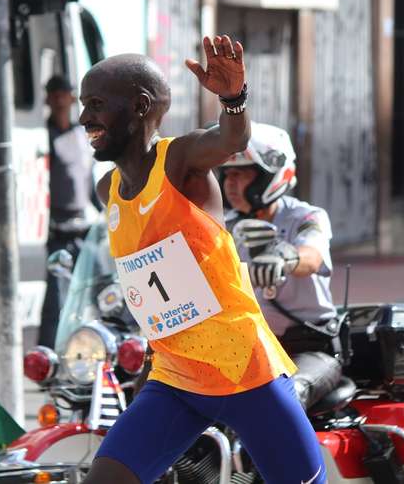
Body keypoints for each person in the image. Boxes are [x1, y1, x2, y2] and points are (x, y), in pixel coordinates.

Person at [80, 36, 325, 484]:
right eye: (83, 105)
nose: (84, 118)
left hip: (242, 372)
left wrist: (233, 99)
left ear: (138, 106)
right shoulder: (107, 192)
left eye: (95, 105)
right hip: (176, 378)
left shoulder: (180, 160)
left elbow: (233, 138)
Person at [218, 122, 341, 410]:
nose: (231, 184)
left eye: (242, 173)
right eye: (227, 174)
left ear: (268, 176)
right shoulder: (222, 226)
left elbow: (312, 257)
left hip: (309, 349)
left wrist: (285, 258)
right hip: (249, 350)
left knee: (286, 397)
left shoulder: (306, 217)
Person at [39, 75, 98, 348]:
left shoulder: (80, 135)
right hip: (56, 228)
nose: (62, 100)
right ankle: (50, 356)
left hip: (83, 226)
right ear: (49, 98)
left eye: (66, 94)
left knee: (92, 295)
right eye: (56, 94)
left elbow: (87, 178)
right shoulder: (44, 136)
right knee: (56, 299)